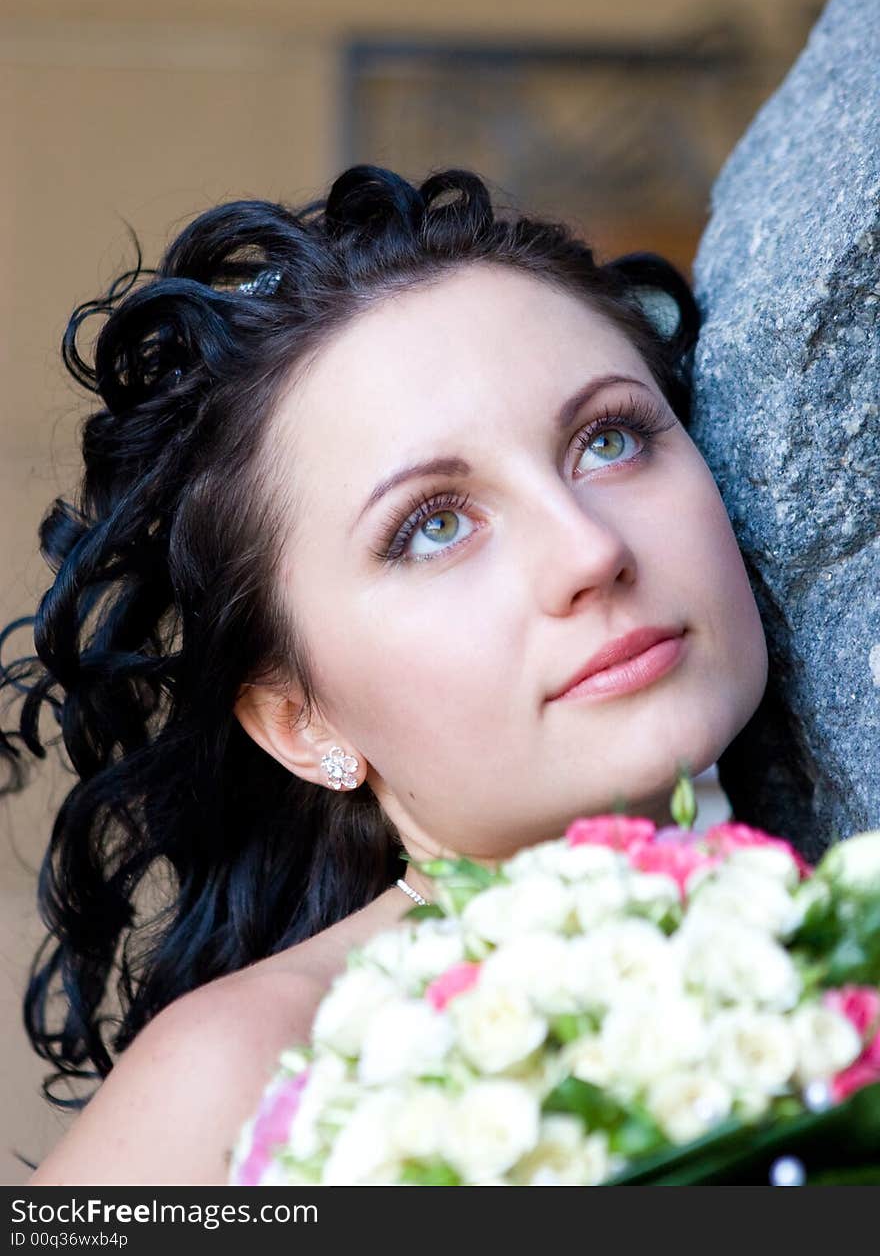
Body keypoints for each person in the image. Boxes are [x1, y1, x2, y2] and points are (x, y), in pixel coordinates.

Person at [1, 165, 768, 1185]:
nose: (588, 552)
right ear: (297, 719)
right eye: (433, 526)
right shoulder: (251, 1079)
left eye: (609, 439)